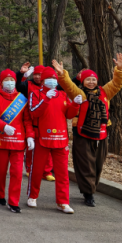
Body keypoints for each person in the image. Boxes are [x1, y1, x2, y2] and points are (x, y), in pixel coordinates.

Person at [53, 55, 122, 207]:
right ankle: (88, 193)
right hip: (82, 134)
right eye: (88, 79)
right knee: (85, 165)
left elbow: (117, 83)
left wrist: (119, 70)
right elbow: (68, 86)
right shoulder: (79, 93)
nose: (91, 82)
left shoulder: (105, 92)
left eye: (93, 79)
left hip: (101, 134)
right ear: (83, 81)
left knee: (98, 165)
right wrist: (62, 74)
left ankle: (91, 188)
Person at [27, 67, 80, 214]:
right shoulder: (35, 94)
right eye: (49, 79)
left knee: (62, 173)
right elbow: (34, 112)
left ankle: (63, 202)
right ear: (43, 81)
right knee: (37, 170)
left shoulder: (62, 95)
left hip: (61, 139)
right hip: (42, 138)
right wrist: (46, 99)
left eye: (54, 79)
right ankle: (32, 196)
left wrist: (75, 104)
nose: (52, 81)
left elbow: (69, 115)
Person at [0, 70, 34, 213]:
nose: (10, 82)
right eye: (6, 80)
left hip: (18, 141)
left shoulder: (22, 99)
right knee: (1, 171)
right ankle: (0, 195)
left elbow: (27, 120)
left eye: (12, 80)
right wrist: (4, 126)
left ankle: (13, 202)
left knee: (17, 173)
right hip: (1, 139)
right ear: (1, 82)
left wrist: (30, 136)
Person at [17, 63, 54, 180]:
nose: (37, 77)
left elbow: (65, 87)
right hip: (30, 117)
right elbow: (17, 86)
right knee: (31, 145)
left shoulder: (51, 86)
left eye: (40, 74)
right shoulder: (28, 84)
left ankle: (47, 171)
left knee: (47, 145)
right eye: (35, 74)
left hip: (46, 119)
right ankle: (29, 168)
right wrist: (21, 74)